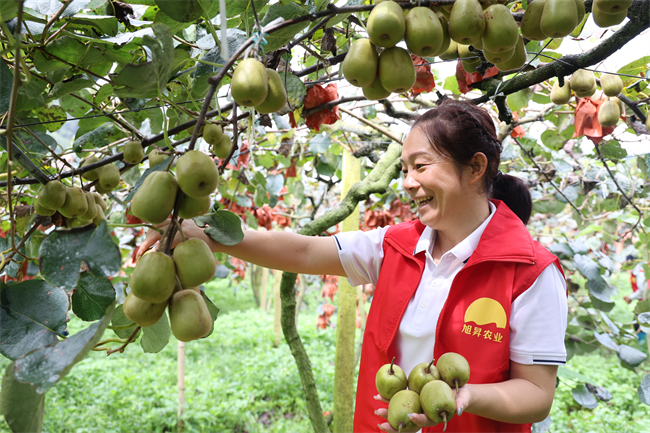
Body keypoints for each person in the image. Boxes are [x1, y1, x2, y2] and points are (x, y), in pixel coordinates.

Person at [138, 99, 568, 433]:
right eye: (404, 168)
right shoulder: (396, 246)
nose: (407, 183)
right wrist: (198, 232)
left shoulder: (531, 272)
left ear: (475, 167)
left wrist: (467, 396)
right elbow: (304, 252)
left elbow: (535, 393)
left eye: (420, 166)